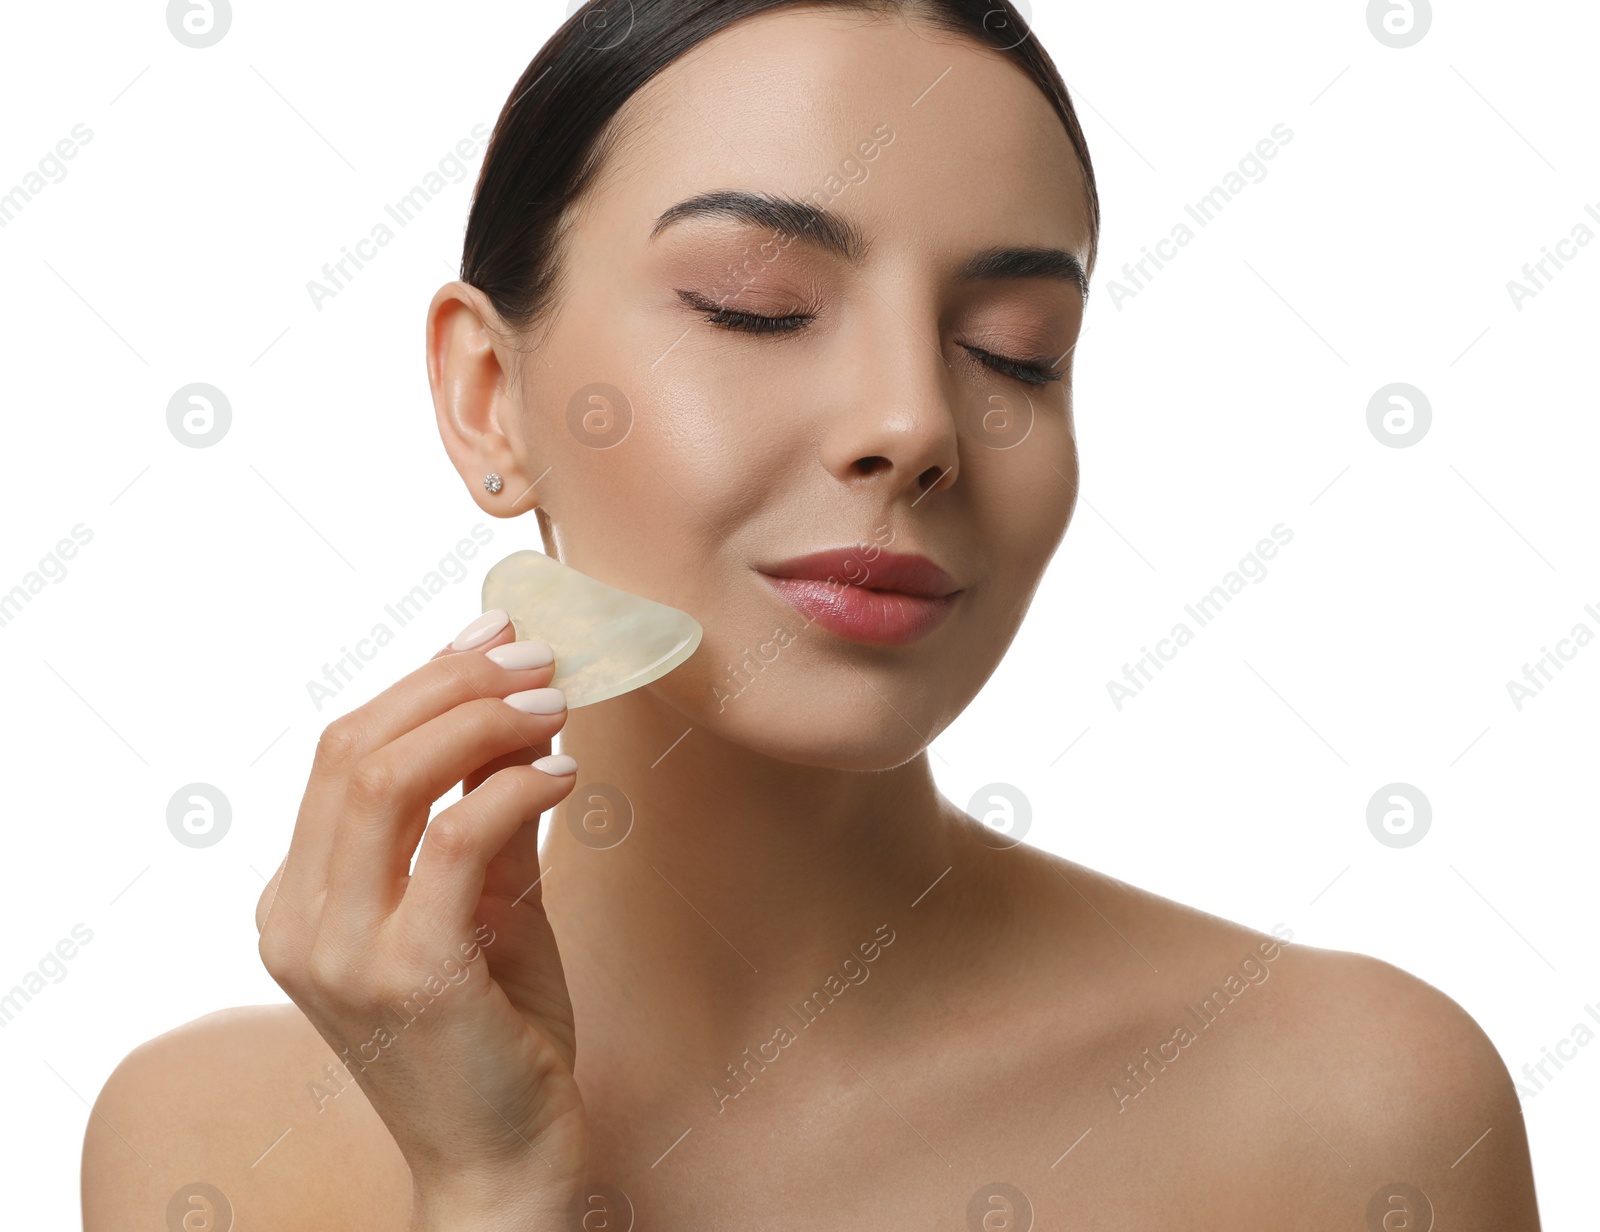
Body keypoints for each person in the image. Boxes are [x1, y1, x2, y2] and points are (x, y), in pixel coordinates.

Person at [82, 2, 1542, 1228]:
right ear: (487, 398)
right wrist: (489, 1190)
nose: (915, 421)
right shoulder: (212, 1148)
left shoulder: (1360, 1109)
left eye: (1014, 352)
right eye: (757, 306)